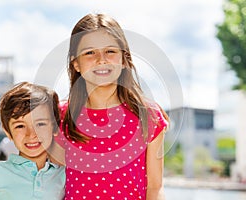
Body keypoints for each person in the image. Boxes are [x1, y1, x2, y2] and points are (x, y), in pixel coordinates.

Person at [52, 13, 169, 200]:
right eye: (90, 52)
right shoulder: (61, 116)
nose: (101, 59)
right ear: (76, 63)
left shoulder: (149, 116)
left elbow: (155, 188)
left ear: (124, 59)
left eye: (110, 51)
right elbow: (51, 185)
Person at [0, 82, 65, 200]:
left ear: (54, 127)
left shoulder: (65, 176)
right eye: (20, 126)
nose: (31, 134)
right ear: (8, 132)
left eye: (40, 124)